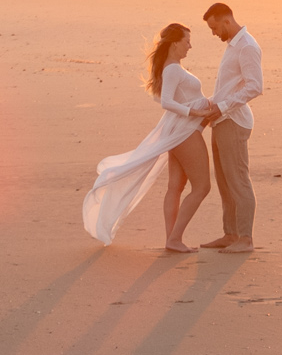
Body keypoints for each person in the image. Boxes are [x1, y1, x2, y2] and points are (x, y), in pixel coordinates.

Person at [80, 22, 216, 250]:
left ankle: (172, 240)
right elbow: (166, 102)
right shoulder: (173, 69)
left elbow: (174, 98)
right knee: (202, 187)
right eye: (187, 41)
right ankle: (174, 238)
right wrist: (196, 112)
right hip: (184, 132)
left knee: (176, 186)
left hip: (180, 131)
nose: (190, 46)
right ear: (175, 43)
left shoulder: (173, 67)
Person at [188, 1, 263, 253]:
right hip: (221, 119)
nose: (213, 33)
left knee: (238, 180)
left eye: (214, 28)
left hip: (234, 121)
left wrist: (223, 107)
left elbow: (255, 86)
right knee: (224, 181)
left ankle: (245, 238)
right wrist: (211, 107)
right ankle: (230, 234)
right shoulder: (233, 45)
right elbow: (228, 86)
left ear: (226, 21)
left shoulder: (247, 47)